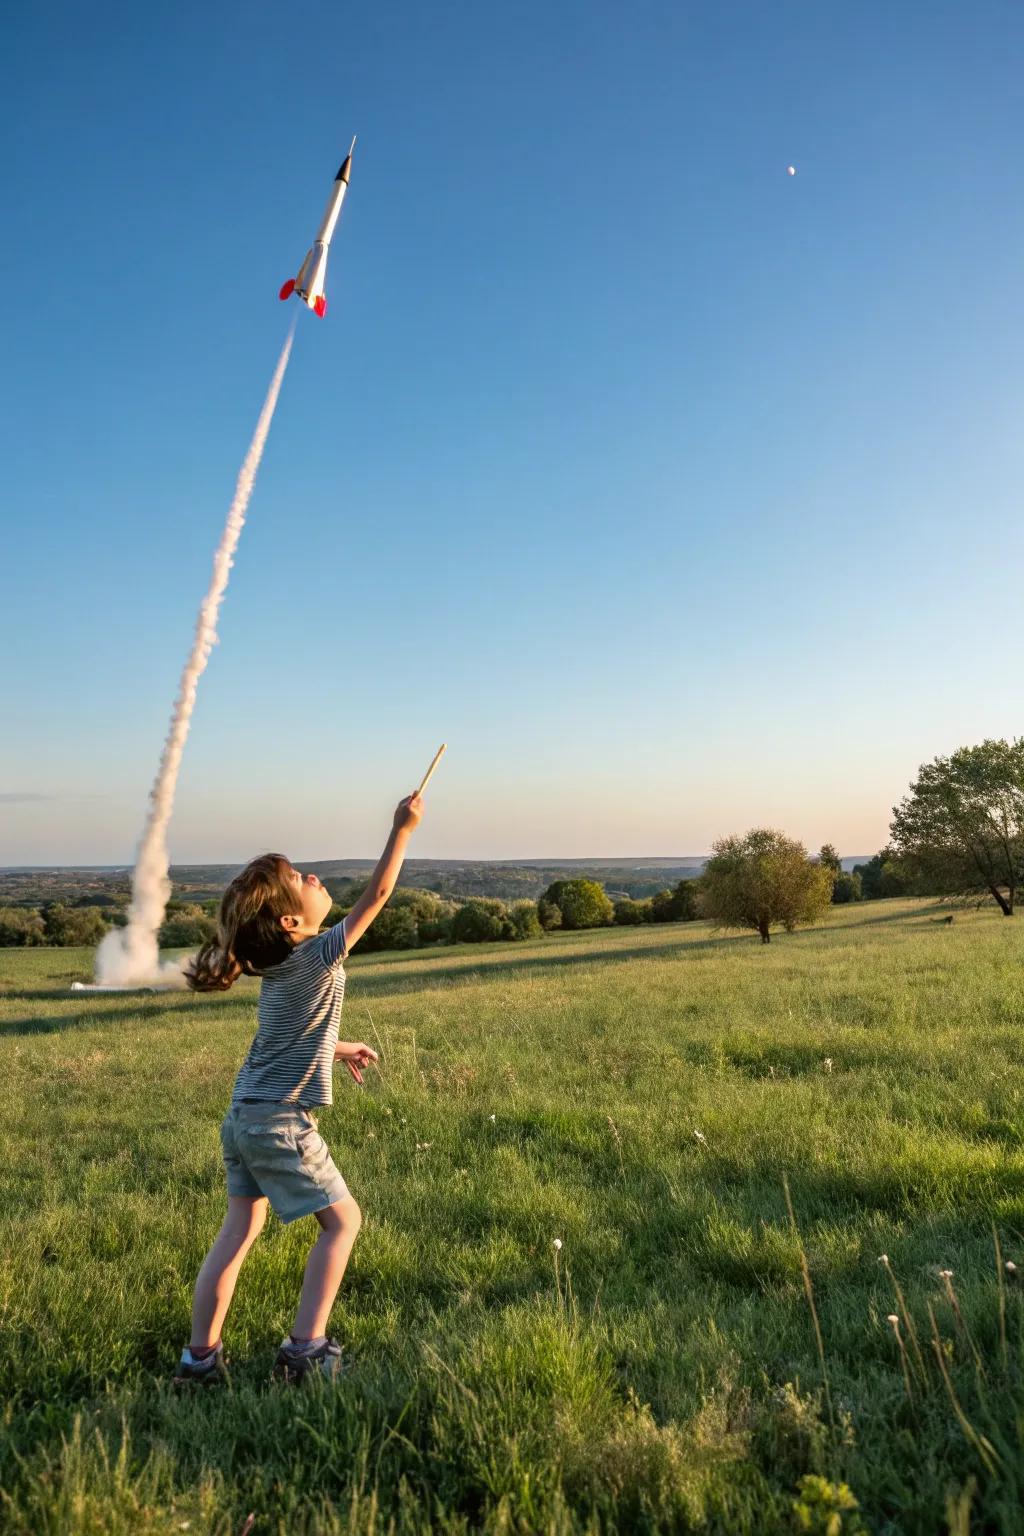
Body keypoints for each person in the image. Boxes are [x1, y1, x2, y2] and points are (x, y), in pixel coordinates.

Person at [173, 792, 423, 1385]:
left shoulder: (279, 971)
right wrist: (403, 829)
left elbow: (291, 1035)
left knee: (238, 1230)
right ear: (292, 924)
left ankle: (199, 1360)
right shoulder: (313, 955)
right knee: (343, 1224)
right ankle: (306, 1352)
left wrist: (337, 1047)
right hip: (282, 1121)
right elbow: (378, 896)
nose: (313, 876)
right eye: (299, 880)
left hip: (242, 1118)